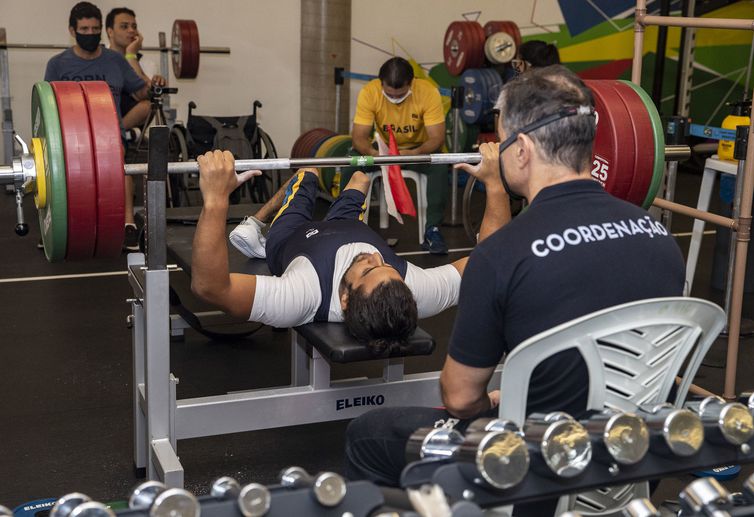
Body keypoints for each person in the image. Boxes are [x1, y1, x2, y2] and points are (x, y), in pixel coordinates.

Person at [343, 66, 686, 500]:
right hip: (634, 456)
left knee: (368, 434)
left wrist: (500, 400)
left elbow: (460, 399)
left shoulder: (502, 253)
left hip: (532, 467)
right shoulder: (660, 238)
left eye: (501, 142)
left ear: (521, 149)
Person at [191, 151, 509, 353]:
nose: (375, 257)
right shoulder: (417, 292)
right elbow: (492, 261)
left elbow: (211, 287)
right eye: (389, 267)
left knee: (308, 172)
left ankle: (255, 225)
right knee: (359, 178)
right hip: (348, 225)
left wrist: (216, 198)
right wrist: (496, 184)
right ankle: (343, 182)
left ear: (345, 300)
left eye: (369, 269)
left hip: (293, 238)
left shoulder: (303, 294)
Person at [44, 1, 149, 250]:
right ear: (72, 30)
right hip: (72, 137)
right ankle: (59, 225)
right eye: (84, 29)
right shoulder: (57, 64)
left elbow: (142, 94)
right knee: (62, 169)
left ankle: (127, 226)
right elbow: (48, 106)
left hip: (109, 135)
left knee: (119, 159)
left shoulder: (116, 61)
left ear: (102, 30)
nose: (90, 34)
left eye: (95, 30)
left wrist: (137, 60)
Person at [346, 57, 449, 255]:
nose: (394, 99)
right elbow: (358, 137)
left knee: (440, 166)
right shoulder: (370, 92)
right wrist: (374, 153)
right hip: (382, 149)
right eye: (389, 95)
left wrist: (413, 153)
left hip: (417, 149)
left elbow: (437, 138)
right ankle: (346, 226)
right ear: (381, 83)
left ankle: (432, 230)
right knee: (352, 163)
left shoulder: (427, 92)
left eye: (399, 95)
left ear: (411, 84)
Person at [105, 7, 167, 131]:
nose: (131, 31)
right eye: (124, 26)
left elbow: (146, 94)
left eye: (134, 26)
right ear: (110, 32)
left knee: (148, 105)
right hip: (103, 112)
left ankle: (118, 134)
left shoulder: (147, 63)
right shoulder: (100, 58)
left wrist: (131, 55)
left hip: (130, 123)